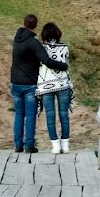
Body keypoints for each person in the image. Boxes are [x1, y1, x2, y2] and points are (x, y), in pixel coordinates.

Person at [10, 14, 68, 153]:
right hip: (29, 83)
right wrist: (63, 66)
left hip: (15, 82)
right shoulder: (33, 43)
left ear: (24, 23)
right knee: (30, 115)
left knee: (19, 114)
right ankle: (29, 145)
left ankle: (18, 145)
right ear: (35, 25)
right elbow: (47, 61)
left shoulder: (16, 40)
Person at [36, 22, 74, 154]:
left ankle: (55, 146)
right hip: (63, 84)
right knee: (64, 115)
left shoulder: (40, 48)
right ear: (58, 33)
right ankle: (66, 145)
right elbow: (66, 63)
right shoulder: (65, 47)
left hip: (46, 85)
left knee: (50, 116)